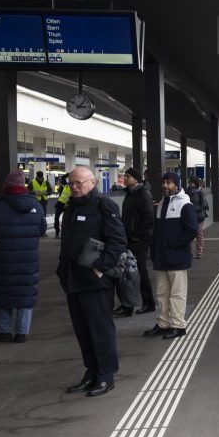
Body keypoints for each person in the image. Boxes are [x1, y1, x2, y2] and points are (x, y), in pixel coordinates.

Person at [57, 167, 128, 397]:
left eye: (79, 183)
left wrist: (101, 266)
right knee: (83, 330)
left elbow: (118, 242)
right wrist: (62, 270)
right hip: (73, 280)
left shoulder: (104, 206)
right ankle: (92, 371)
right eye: (71, 183)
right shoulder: (71, 207)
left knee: (100, 329)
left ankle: (106, 374)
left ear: (93, 182)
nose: (74, 187)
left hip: (96, 282)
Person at [0, 170, 46, 343]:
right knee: (25, 293)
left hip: (4, 257)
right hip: (28, 258)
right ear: (23, 186)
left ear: (6, 185)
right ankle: (21, 332)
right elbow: (41, 230)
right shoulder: (35, 205)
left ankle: (3, 330)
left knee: (4, 291)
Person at [145, 171, 197, 340]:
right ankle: (163, 323)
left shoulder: (185, 204)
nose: (165, 186)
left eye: (169, 182)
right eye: (163, 182)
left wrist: (173, 244)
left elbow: (192, 230)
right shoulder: (162, 203)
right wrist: (155, 249)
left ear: (177, 184)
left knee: (177, 294)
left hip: (177, 257)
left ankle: (178, 326)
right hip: (162, 257)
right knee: (162, 293)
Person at [115, 167, 156, 316]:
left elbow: (148, 217)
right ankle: (127, 305)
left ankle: (148, 303)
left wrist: (138, 236)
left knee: (140, 271)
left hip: (139, 241)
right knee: (126, 272)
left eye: (128, 176)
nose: (124, 179)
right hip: (128, 239)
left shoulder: (143, 194)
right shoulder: (129, 194)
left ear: (136, 179)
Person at [186, 177, 209, 259]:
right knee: (190, 234)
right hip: (190, 216)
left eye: (191, 182)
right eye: (189, 182)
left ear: (195, 183)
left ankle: (199, 251)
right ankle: (190, 252)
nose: (190, 184)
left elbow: (204, 204)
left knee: (199, 234)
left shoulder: (200, 192)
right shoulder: (187, 192)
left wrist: (195, 208)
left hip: (199, 216)